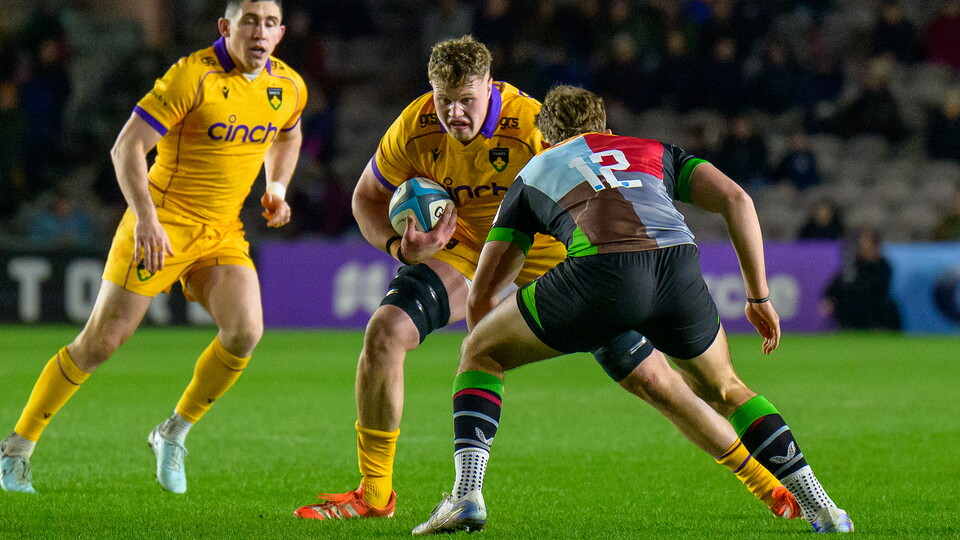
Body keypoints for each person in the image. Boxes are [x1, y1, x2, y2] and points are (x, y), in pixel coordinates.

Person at [294, 36, 799, 522]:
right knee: (385, 332)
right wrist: (398, 248)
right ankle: (375, 493)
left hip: (563, 260)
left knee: (657, 381)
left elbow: (607, 179)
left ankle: (765, 482)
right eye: (444, 100)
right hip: (471, 254)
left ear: (490, 86)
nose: (454, 114)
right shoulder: (415, 125)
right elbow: (365, 198)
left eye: (466, 100)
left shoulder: (531, 124)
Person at [412, 86, 854, 535]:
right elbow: (737, 199)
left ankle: (466, 494)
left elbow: (484, 291)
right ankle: (823, 508)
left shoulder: (534, 171)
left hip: (602, 273)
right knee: (727, 389)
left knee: (479, 352)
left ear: (546, 139)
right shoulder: (654, 150)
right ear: (607, 128)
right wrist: (758, 297)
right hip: (678, 265)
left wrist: (491, 349)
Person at [0, 0, 305, 495]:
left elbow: (288, 136)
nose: (260, 32)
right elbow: (126, 147)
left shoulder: (288, 85)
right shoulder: (191, 76)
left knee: (246, 330)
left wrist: (277, 187)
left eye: (270, 23)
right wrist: (145, 220)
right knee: (100, 342)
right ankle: (17, 447)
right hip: (160, 223)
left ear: (281, 33)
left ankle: (173, 433)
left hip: (220, 232)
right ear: (225, 27)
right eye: (249, 21)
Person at [823, 228, 901, 330]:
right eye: (862, 244)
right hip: (853, 308)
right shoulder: (853, 265)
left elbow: (878, 288)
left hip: (874, 307)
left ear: (875, 246)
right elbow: (837, 284)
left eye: (867, 244)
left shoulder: (883, 266)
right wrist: (830, 297)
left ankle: (878, 329)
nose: (864, 247)